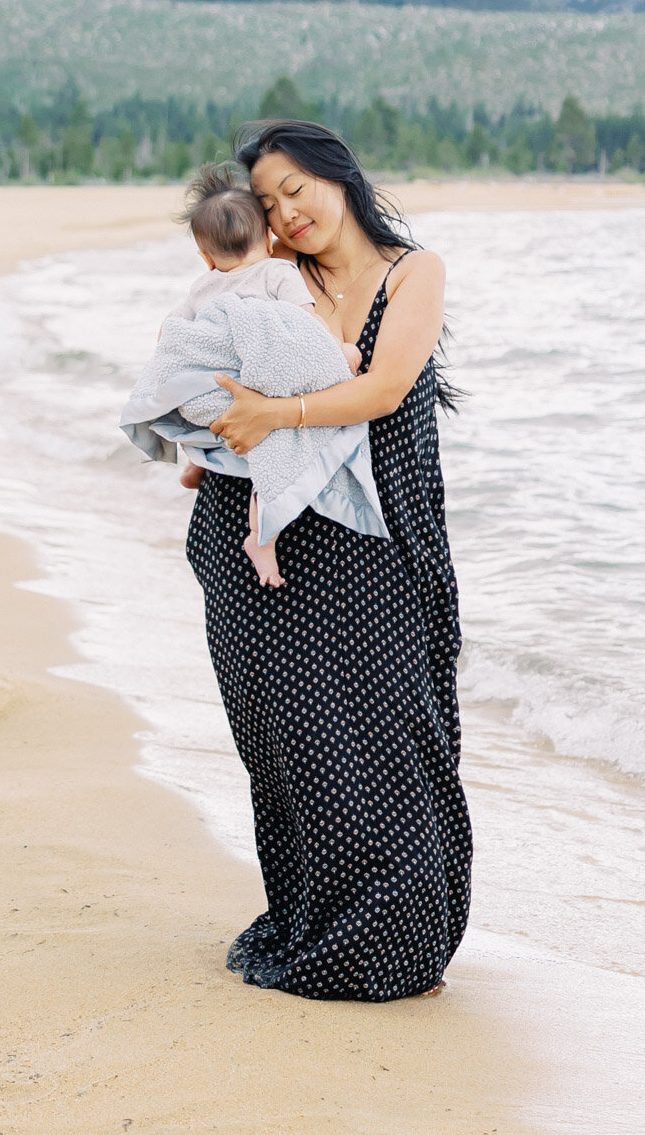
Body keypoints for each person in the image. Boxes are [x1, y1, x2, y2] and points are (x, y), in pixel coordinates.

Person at [186, 119, 472, 1002]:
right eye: (269, 203)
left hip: (381, 540)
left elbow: (384, 389)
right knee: (286, 743)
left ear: (337, 177)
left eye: (295, 189)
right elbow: (205, 370)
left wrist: (275, 414)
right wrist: (206, 437)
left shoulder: (411, 272)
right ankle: (316, 918)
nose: (287, 213)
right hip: (261, 534)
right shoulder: (272, 282)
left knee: (393, 734)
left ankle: (406, 939)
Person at [169, 164, 362, 586]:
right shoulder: (278, 271)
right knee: (275, 446)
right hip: (258, 382)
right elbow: (307, 327)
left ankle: (194, 465)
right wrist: (343, 354)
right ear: (269, 239)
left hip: (211, 393)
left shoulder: (203, 286)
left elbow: (174, 332)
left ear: (205, 257)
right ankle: (262, 536)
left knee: (214, 420)